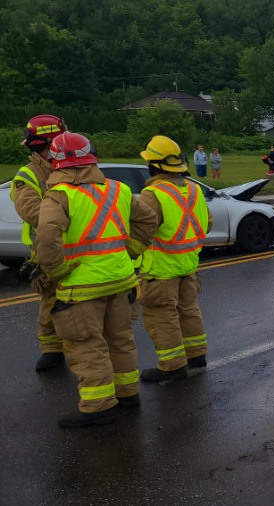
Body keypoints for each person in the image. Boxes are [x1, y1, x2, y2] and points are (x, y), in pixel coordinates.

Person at [36, 132, 157, 428]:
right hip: (121, 279)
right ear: (92, 158)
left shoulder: (59, 196)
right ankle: (128, 393)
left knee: (87, 345)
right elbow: (148, 219)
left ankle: (98, 406)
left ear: (55, 162)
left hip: (81, 286)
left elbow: (47, 238)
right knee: (120, 339)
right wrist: (131, 250)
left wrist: (55, 273)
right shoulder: (118, 189)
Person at [137, 135, 212, 382]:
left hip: (161, 269)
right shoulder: (194, 189)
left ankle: (172, 365)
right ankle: (197, 355)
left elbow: (141, 232)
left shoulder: (152, 194)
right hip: (188, 265)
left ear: (153, 165)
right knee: (189, 310)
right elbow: (208, 223)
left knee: (162, 317)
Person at [11, 115, 68, 371]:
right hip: (48, 249)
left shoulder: (68, 166)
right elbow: (32, 212)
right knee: (51, 301)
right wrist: (68, 217)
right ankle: (52, 350)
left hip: (81, 248)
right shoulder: (28, 175)